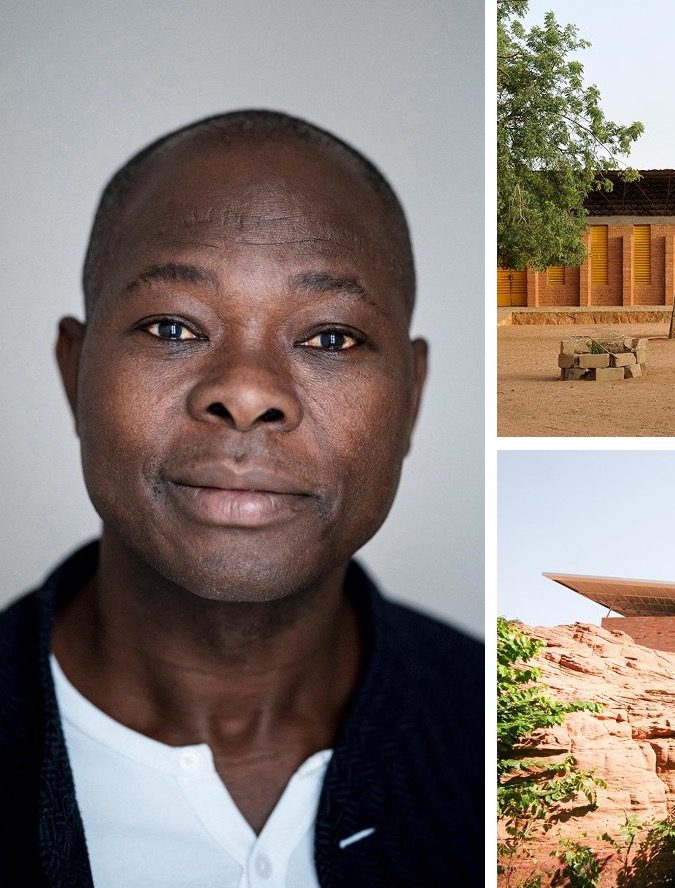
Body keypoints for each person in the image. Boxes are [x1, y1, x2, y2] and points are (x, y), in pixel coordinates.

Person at [0, 110, 482, 887]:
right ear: (73, 372)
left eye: (331, 338)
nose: (249, 393)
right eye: (171, 327)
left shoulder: (489, 726)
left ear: (412, 400)